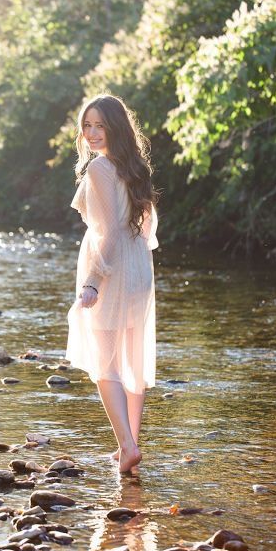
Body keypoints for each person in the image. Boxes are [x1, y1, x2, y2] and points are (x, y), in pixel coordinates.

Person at [66, 93, 159, 473]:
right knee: (131, 358)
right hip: (138, 265)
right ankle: (129, 446)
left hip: (112, 268)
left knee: (106, 362)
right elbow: (147, 227)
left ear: (115, 126)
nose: (91, 133)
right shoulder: (135, 166)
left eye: (99, 125)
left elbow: (107, 232)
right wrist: (137, 261)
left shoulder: (100, 170)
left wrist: (92, 280)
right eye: (86, 125)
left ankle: (127, 447)